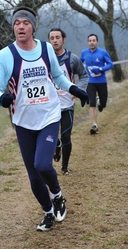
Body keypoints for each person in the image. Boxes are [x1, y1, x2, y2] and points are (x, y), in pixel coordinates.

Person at [0, 6, 89, 232]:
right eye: (16, 23)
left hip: (49, 115)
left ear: (33, 26)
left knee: (43, 164)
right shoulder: (6, 56)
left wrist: (75, 89)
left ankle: (58, 195)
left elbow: (58, 76)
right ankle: (48, 212)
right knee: (33, 177)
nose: (20, 26)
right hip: (23, 121)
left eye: (25, 22)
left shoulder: (45, 49)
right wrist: (1, 98)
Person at [48, 28, 88, 176]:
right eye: (52, 38)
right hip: (49, 106)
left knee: (65, 136)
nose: (55, 40)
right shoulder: (45, 59)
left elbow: (84, 76)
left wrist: (78, 91)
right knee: (50, 138)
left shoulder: (72, 58)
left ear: (63, 39)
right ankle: (52, 156)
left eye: (57, 37)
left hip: (67, 104)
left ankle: (64, 167)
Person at [80, 34, 114, 134]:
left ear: (97, 42)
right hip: (90, 82)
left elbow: (110, 64)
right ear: (88, 42)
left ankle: (101, 102)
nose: (92, 42)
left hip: (101, 81)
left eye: (94, 40)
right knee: (92, 102)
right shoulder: (84, 52)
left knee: (103, 104)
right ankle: (94, 125)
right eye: (90, 40)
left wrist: (100, 69)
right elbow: (79, 62)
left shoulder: (103, 52)